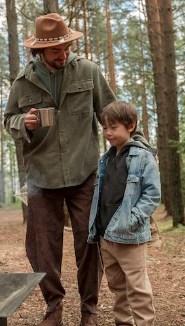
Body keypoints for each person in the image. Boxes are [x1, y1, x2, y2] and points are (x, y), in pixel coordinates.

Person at [4, 12, 151, 326]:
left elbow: (112, 113)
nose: (63, 53)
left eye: (66, 46)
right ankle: (53, 306)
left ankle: (89, 310)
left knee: (89, 242)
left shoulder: (88, 71)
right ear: (39, 51)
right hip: (41, 177)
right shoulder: (22, 81)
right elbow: (8, 120)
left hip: (84, 173)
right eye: (55, 49)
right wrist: (23, 122)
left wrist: (138, 146)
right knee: (42, 247)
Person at [88, 102, 161, 326]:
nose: (108, 133)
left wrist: (134, 220)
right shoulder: (105, 159)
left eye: (114, 127)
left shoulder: (143, 157)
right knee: (118, 289)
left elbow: (152, 194)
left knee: (138, 289)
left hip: (130, 237)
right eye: (105, 128)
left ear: (131, 126)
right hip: (106, 237)